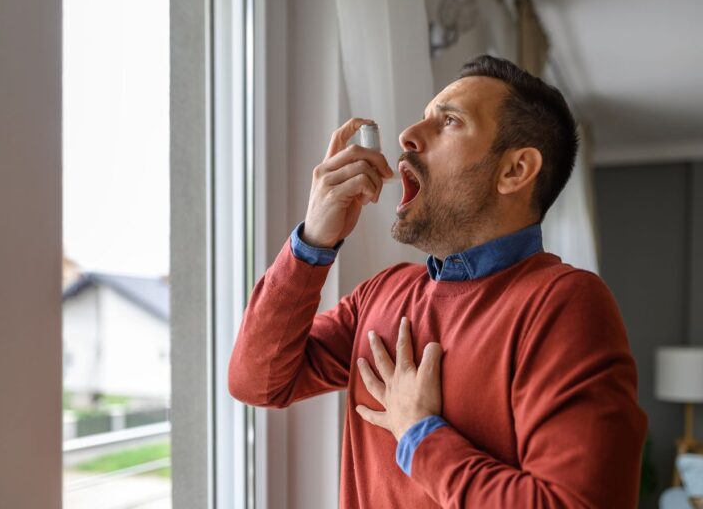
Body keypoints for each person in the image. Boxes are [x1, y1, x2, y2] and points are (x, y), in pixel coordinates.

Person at [228, 54, 648, 508]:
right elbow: (257, 382)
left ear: (515, 170)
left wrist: (420, 436)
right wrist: (313, 240)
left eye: (448, 121)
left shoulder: (565, 304)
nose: (408, 135)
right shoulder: (383, 292)